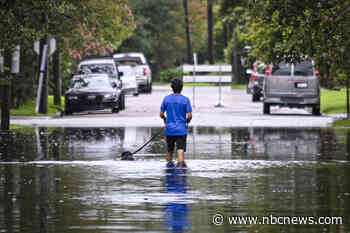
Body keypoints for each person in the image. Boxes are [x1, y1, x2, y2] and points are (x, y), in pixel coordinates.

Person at [160, 78, 192, 168]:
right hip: (181, 130)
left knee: (169, 150)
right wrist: (187, 121)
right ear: (181, 88)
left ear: (172, 87)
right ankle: (181, 170)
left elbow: (161, 114)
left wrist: (165, 119)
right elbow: (189, 116)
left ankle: (168, 167)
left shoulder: (166, 99)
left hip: (169, 129)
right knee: (180, 149)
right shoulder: (185, 100)